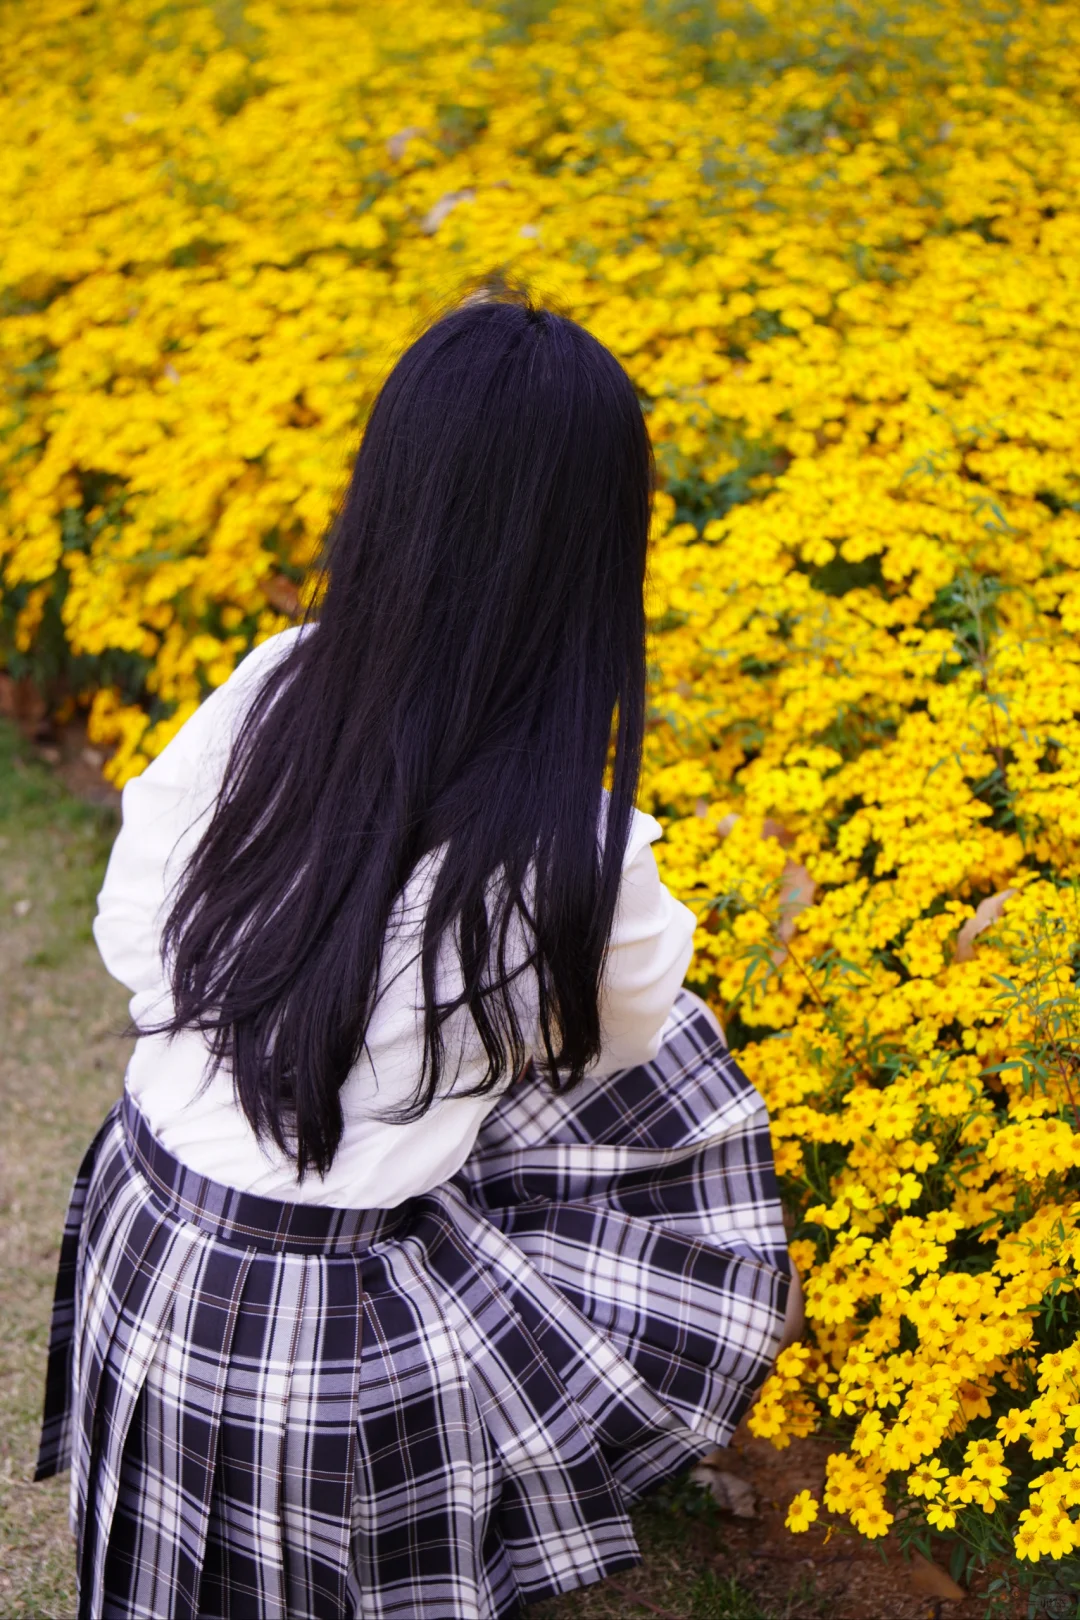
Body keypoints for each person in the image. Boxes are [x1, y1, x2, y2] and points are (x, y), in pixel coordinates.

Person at [35, 292, 795, 1620]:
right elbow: (616, 1042)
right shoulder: (585, 853)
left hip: (140, 1244)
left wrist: (276, 1020)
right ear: (596, 558)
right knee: (654, 1045)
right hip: (330, 1354)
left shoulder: (277, 683)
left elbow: (131, 928)